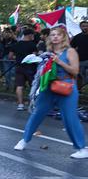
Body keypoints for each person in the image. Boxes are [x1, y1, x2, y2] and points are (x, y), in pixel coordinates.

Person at [14, 26, 88, 158]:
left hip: (66, 87)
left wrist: (59, 62)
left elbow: (75, 71)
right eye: (52, 35)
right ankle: (24, 140)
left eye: (58, 35)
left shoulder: (70, 51)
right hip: (48, 87)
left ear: (63, 37)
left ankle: (81, 148)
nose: (55, 37)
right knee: (37, 114)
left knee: (69, 118)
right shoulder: (48, 52)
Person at [10, 28, 39, 111]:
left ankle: (20, 104)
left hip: (19, 67)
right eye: (33, 35)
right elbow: (34, 56)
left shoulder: (16, 44)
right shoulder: (32, 45)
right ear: (30, 35)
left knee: (19, 86)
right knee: (33, 86)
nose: (33, 36)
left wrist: (17, 58)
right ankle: (33, 104)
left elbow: (10, 56)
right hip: (30, 68)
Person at [71, 19, 88, 88]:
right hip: (81, 60)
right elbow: (71, 47)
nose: (85, 27)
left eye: (86, 26)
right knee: (82, 76)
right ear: (80, 27)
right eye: (83, 26)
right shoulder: (77, 37)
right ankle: (84, 89)